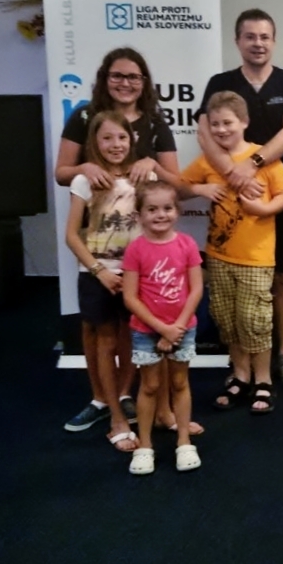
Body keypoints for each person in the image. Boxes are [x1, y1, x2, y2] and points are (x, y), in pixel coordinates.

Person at [56, 47, 186, 434]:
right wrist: (84, 166)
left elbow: (174, 183)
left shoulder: (155, 122)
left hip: (137, 254)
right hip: (95, 248)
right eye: (117, 75)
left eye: (133, 76)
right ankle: (101, 400)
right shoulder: (84, 116)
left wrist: (153, 163)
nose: (125, 83)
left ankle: (126, 394)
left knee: (134, 329)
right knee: (97, 330)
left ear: (144, 82)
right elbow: (62, 172)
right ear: (105, 78)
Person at [198, 9, 283, 389]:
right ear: (238, 41)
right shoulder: (220, 83)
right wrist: (235, 175)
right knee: (236, 279)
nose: (258, 43)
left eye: (264, 36)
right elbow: (205, 134)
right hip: (234, 199)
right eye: (250, 36)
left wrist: (253, 164)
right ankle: (243, 363)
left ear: (273, 41)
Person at [181, 91, 283, 414]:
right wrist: (200, 188)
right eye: (215, 124)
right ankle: (240, 374)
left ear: (244, 122)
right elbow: (179, 188)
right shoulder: (207, 162)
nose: (221, 130)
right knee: (227, 320)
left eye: (227, 123)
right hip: (219, 257)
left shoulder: (262, 157)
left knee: (254, 320)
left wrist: (264, 208)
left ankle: (263, 379)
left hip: (255, 258)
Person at [63, 111, 144, 452]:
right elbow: (72, 235)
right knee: (105, 340)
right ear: (94, 142)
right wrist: (100, 271)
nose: (115, 144)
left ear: (131, 139)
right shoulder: (84, 181)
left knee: (132, 337)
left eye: (122, 137)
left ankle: (124, 396)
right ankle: (113, 414)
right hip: (98, 274)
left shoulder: (143, 175)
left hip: (136, 275)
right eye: (107, 138)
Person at [122, 180, 204, 475]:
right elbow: (130, 297)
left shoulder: (187, 244)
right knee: (150, 386)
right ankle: (145, 445)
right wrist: (161, 328)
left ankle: (183, 441)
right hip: (146, 331)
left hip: (182, 328)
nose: (161, 215)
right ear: (139, 214)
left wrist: (177, 327)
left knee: (180, 383)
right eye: (152, 209)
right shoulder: (135, 249)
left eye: (167, 208)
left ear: (177, 211)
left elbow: (196, 289)